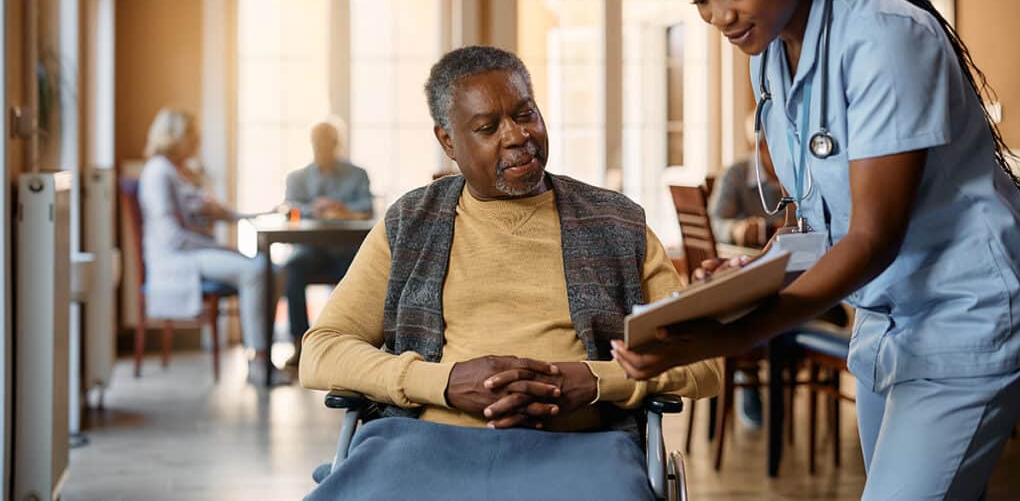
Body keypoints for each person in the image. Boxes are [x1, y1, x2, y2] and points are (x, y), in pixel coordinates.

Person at [611, 0, 1020, 499]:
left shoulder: (884, 37)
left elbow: (872, 237)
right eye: (700, 0)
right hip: (884, 324)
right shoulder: (771, 58)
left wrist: (730, 335)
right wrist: (749, 281)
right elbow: (817, 224)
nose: (719, 16)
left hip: (963, 318)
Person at [299, 46, 720, 500]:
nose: (518, 136)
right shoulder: (410, 223)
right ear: (448, 142)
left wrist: (595, 380)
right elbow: (321, 351)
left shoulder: (618, 223)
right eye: (488, 127)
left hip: (581, 447)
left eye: (526, 114)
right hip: (424, 444)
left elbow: (703, 361)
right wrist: (445, 383)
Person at [138, 108, 289, 385]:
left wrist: (259, 214)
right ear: (174, 137)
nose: (197, 141)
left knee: (274, 269)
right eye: (192, 135)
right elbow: (173, 238)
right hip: (177, 258)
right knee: (256, 270)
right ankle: (259, 360)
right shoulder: (158, 173)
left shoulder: (181, 172)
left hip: (195, 250)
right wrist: (221, 248)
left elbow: (220, 213)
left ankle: (260, 356)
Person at [282, 119, 373, 367]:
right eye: (317, 143)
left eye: (327, 144)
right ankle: (300, 344)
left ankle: (351, 347)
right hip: (312, 251)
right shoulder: (297, 177)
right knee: (292, 269)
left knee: (365, 275)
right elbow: (290, 207)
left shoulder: (357, 174)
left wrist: (341, 208)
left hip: (348, 252)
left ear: (336, 144)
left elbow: (367, 206)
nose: (322, 148)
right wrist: (314, 208)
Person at [708, 110, 785, 248]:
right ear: (759, 147)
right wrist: (735, 230)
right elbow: (714, 224)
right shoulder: (734, 175)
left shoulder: (802, 177)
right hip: (748, 259)